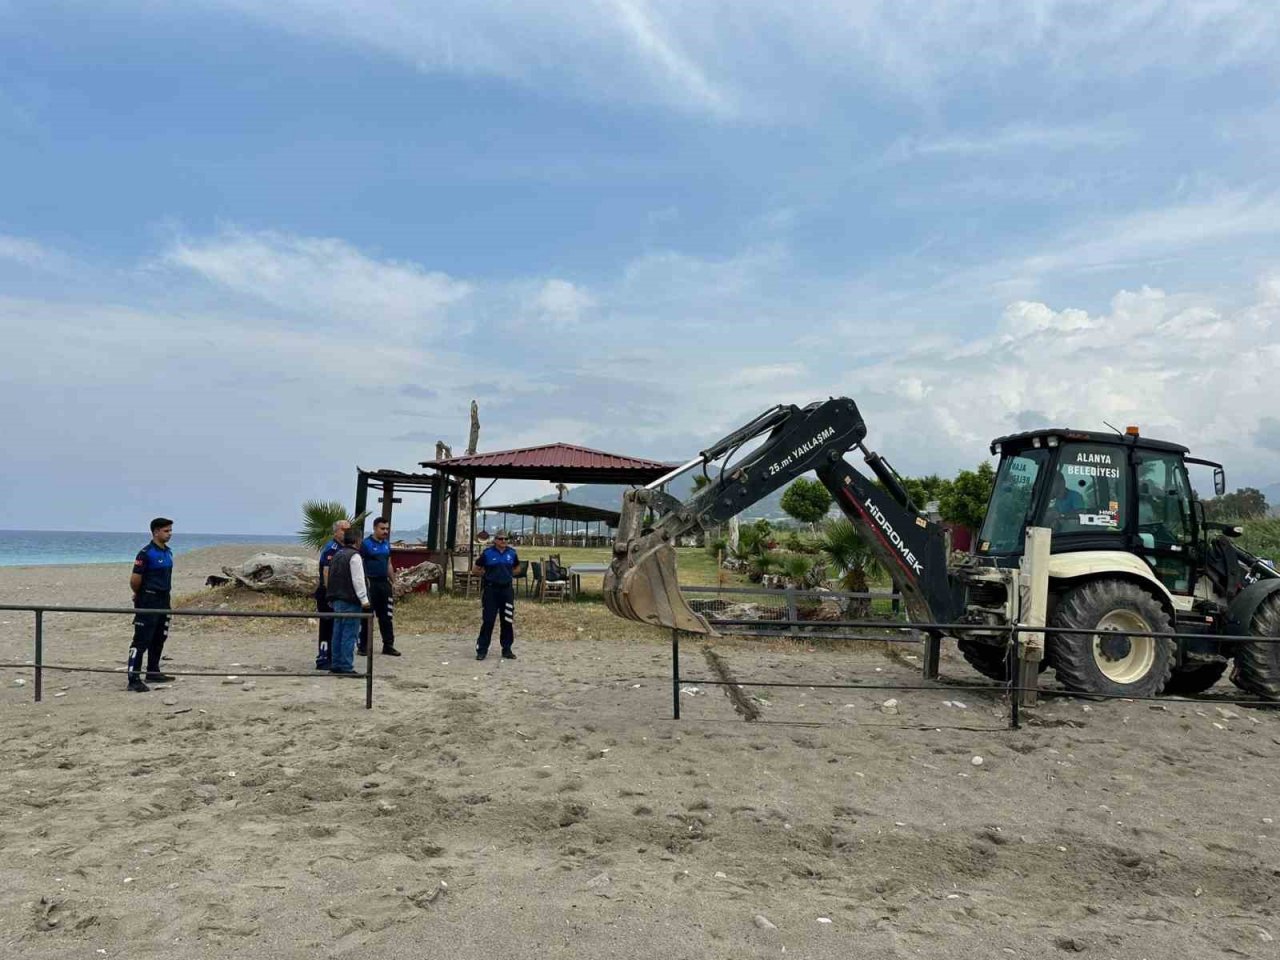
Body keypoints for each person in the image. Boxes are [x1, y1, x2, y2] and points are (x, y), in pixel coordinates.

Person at [126, 517, 175, 693]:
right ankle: (133, 678)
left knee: (159, 636)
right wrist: (140, 595)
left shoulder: (168, 552)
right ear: (156, 532)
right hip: (149, 599)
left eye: (170, 530)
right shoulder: (145, 553)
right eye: (166, 531)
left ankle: (153, 671)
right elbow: (135, 579)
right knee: (141, 639)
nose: (170, 534)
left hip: (164, 599)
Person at [325, 527, 371, 675]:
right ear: (358, 540)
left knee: (337, 632)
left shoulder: (337, 554)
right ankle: (346, 666)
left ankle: (336, 663)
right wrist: (364, 599)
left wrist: (330, 596)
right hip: (350, 600)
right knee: (349, 634)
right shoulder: (355, 556)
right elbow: (358, 579)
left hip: (337, 598)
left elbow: (331, 577)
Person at [473, 530, 522, 661]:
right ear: (495, 540)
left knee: (507, 620)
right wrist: (487, 575)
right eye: (501, 539)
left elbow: (518, 568)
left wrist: (509, 573)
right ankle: (482, 650)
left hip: (506, 591)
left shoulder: (511, 553)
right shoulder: (488, 553)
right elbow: (475, 569)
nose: (504, 541)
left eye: (506, 539)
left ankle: (507, 649)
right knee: (488, 620)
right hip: (491, 591)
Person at [359, 517, 401, 657]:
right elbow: (359, 564)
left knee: (386, 617)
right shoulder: (366, 544)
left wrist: (393, 581)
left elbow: (389, 564)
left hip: (384, 584)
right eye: (382, 529)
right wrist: (364, 582)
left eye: (387, 529)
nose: (385, 531)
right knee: (367, 616)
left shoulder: (386, 544)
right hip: (370, 583)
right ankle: (363, 646)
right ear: (375, 528)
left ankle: (388, 645)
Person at [314, 518, 350, 670]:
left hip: (341, 594)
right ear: (336, 532)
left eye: (349, 530)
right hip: (328, 593)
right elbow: (326, 572)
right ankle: (322, 658)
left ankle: (335, 657)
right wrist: (330, 594)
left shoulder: (347, 548)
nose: (347, 533)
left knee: (338, 626)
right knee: (326, 626)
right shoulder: (331, 548)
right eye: (344, 530)